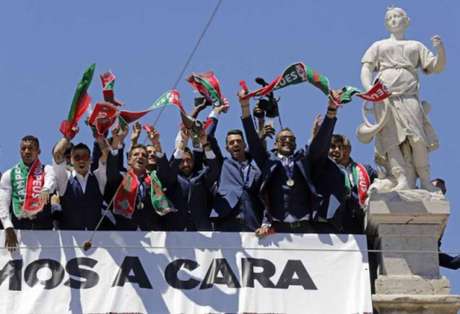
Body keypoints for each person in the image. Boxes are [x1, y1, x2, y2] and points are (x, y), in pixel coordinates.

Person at [360, 6, 446, 192]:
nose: (393, 20)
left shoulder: (415, 46)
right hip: (384, 99)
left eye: (397, 16)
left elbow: (436, 67)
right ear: (386, 23)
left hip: (409, 97)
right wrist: (370, 90)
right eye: (390, 17)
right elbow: (366, 68)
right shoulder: (379, 46)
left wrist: (440, 50)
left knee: (417, 139)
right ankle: (401, 179)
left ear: (406, 21)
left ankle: (424, 179)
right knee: (391, 142)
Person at [240, 89, 344, 236]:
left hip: (305, 228)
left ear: (296, 144)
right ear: (275, 144)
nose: (287, 141)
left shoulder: (303, 160)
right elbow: (252, 140)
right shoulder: (268, 161)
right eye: (283, 139)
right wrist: (245, 108)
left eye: (291, 140)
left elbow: (320, 145)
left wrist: (331, 110)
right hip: (276, 229)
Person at [205, 106, 265, 232]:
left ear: (245, 145)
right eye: (231, 143)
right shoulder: (222, 164)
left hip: (253, 222)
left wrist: (261, 124)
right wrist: (216, 112)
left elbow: (259, 148)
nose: (236, 144)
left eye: (238, 141)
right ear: (227, 148)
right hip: (226, 220)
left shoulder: (256, 166)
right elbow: (208, 136)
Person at [156, 125, 219, 231]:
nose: (185, 164)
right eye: (182, 161)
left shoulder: (201, 176)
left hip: (201, 232)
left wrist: (205, 144)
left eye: (188, 160)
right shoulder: (172, 178)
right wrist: (180, 148)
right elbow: (166, 172)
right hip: (176, 232)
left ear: (193, 161)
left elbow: (214, 170)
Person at [0, 135, 55, 251]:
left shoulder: (46, 170)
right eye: (23, 148)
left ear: (38, 151)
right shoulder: (9, 174)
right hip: (19, 233)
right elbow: (3, 204)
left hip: (44, 232)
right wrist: (8, 227)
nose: (27, 151)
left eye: (31, 148)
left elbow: (52, 179)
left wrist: (46, 189)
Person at [52, 130, 107, 230]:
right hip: (70, 240)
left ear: (90, 160)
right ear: (71, 161)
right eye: (77, 157)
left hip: (96, 240)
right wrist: (67, 137)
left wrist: (100, 140)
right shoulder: (65, 179)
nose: (81, 160)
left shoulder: (98, 178)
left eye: (85, 157)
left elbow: (106, 156)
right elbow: (57, 154)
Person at [328, 133, 377, 233]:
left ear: (348, 150)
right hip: (335, 222)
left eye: (342, 147)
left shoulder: (365, 170)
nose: (337, 150)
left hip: (360, 221)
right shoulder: (327, 170)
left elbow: (381, 183)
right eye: (333, 147)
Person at [432, 178, 460, 270]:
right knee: (453, 264)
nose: (440, 192)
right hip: (427, 246)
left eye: (442, 190)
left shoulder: (442, 206)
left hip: (433, 247)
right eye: (437, 189)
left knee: (453, 264)